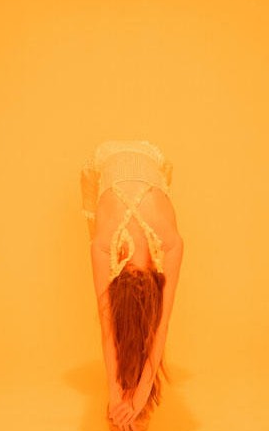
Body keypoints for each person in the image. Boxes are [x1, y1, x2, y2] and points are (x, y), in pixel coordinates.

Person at [80, 140, 184, 430]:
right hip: (102, 167)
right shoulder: (103, 245)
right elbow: (156, 327)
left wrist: (138, 396)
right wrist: (118, 395)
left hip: (152, 167)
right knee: (128, 331)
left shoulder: (169, 243)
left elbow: (113, 330)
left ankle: (129, 391)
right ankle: (127, 390)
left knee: (134, 331)